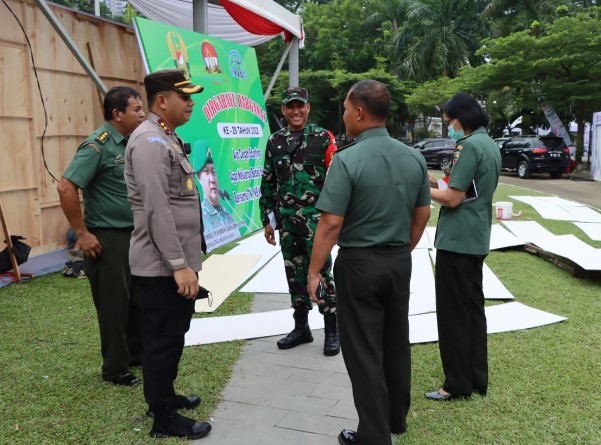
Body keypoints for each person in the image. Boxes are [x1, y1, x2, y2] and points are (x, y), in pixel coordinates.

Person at [308, 80, 431, 445]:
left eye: (346, 110)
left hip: (359, 264)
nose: (344, 117)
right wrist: (400, 251)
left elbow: (330, 223)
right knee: (395, 341)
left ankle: (374, 436)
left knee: (363, 352)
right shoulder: (414, 157)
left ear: (359, 112)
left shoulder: (347, 160)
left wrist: (314, 271)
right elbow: (422, 216)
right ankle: (395, 420)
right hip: (398, 261)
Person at [124, 69, 211, 440]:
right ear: (162, 100)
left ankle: (165, 396)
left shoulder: (167, 137)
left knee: (173, 336)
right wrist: (180, 266)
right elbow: (158, 210)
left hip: (175, 263)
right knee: (161, 342)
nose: (192, 102)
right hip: (162, 266)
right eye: (185, 96)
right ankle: (163, 418)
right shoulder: (149, 142)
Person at [57, 86, 145, 387]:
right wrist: (82, 233)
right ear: (117, 114)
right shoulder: (98, 145)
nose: (142, 114)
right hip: (108, 237)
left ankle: (135, 354)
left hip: (134, 235)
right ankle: (115, 368)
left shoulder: (130, 143)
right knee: (113, 304)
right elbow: (66, 187)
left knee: (135, 299)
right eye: (136, 109)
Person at [425, 92, 501, 401]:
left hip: (456, 242)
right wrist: (432, 181)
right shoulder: (489, 145)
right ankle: (476, 377)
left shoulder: (467, 146)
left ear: (462, 118)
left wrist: (421, 188)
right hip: (476, 237)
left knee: (453, 314)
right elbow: (463, 186)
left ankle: (455, 384)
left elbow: (454, 198)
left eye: (450, 122)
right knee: (472, 311)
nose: (449, 128)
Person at [259, 86, 339, 356]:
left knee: (322, 272)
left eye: (300, 105)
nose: (295, 111)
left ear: (308, 108)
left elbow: (336, 181)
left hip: (316, 223)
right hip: (286, 223)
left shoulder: (323, 138)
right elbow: (268, 181)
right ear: (283, 109)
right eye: (290, 106)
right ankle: (301, 328)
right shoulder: (275, 141)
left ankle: (331, 330)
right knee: (294, 273)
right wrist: (267, 219)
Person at [192, 140, 237, 234]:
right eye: (206, 172)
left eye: (213, 172)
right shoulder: (201, 218)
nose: (212, 179)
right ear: (199, 178)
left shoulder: (227, 214)